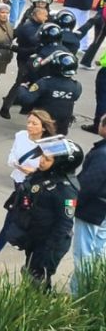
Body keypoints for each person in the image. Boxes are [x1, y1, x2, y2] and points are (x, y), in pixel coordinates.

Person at [0, 110, 55, 269]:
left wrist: (34, 172)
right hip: (20, 183)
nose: (30, 126)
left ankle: (22, 242)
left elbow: (52, 170)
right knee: (13, 216)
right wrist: (17, 165)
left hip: (37, 187)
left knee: (28, 218)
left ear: (43, 127)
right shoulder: (21, 136)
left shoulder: (49, 146)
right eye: (29, 122)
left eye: (34, 124)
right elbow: (12, 156)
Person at [13, 138, 83, 287]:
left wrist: (46, 253)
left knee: (38, 281)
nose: (41, 161)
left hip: (48, 244)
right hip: (35, 236)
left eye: (47, 158)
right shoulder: (44, 176)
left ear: (61, 164)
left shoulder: (66, 190)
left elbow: (64, 224)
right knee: (29, 274)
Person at [74, 111, 106, 291]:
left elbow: (87, 186)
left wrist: (69, 204)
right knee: (98, 251)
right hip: (102, 211)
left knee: (83, 254)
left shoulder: (102, 154)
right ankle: (94, 288)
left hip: (91, 210)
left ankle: (78, 294)